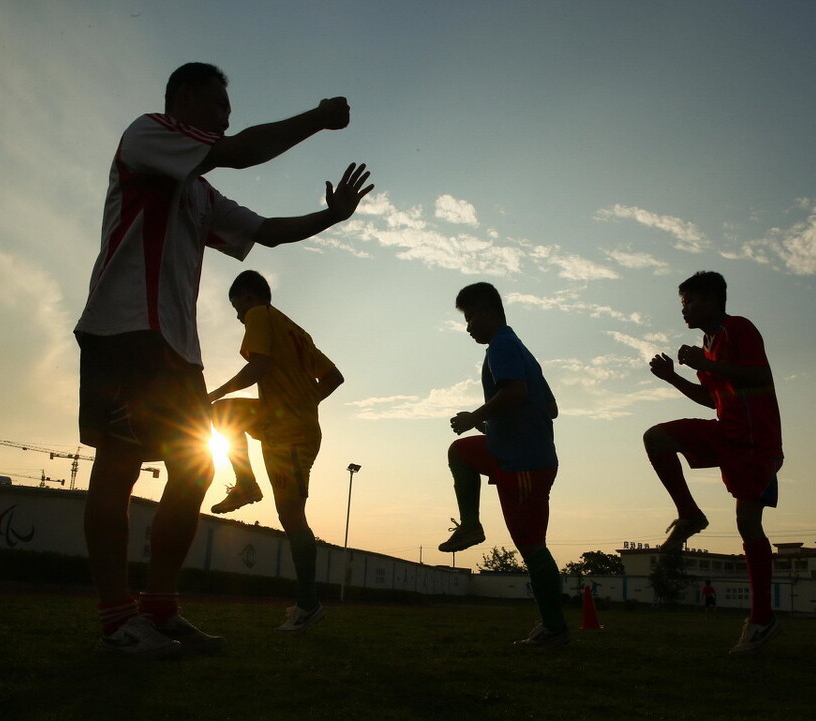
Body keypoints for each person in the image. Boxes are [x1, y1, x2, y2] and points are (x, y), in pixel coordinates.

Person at [74, 62, 373, 658]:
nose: (224, 121)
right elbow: (238, 151)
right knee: (120, 465)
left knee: (196, 471)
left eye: (227, 114)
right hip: (126, 328)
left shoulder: (199, 194)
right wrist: (316, 118)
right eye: (217, 107)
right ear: (184, 97)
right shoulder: (146, 134)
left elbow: (268, 232)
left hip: (178, 351)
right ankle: (116, 619)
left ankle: (159, 610)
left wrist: (331, 218)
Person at [643, 271, 782, 655]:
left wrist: (707, 364)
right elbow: (712, 400)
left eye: (690, 301)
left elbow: (759, 377)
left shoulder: (738, 328)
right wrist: (673, 377)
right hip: (726, 431)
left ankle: (761, 619)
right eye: (682, 302)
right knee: (657, 437)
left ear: (713, 300)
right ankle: (689, 515)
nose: (684, 308)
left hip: (757, 441)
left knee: (747, 523)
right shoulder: (707, 344)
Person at [207, 270, 342, 632]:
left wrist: (215, 392)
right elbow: (333, 377)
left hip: (292, 434)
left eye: (237, 308)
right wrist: (305, 399)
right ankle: (246, 484)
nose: (238, 317)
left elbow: (259, 365)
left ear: (248, 297)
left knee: (292, 516)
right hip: (278, 420)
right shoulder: (296, 331)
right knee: (222, 417)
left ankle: (309, 605)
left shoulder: (259, 315)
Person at [439, 282, 568, 646]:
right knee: (460, 452)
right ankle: (470, 526)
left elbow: (515, 392)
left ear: (487, 312)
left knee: (531, 546)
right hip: (512, 451)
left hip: (525, 463)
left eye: (469, 318)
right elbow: (550, 408)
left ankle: (555, 629)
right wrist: (491, 423)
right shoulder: (518, 348)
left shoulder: (502, 345)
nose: (467, 328)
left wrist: (474, 417)